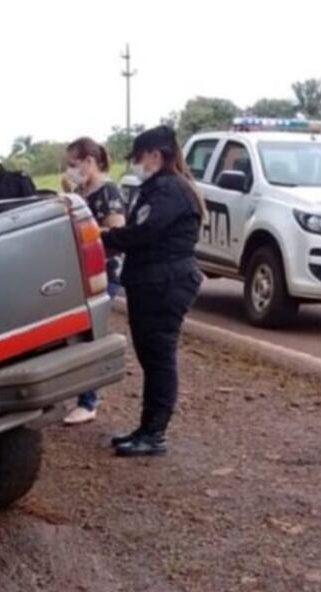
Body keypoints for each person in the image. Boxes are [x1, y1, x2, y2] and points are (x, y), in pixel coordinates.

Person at [101, 125, 204, 457]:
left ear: (155, 155)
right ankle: (147, 428)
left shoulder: (169, 190)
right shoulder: (162, 187)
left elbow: (144, 232)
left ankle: (154, 433)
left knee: (159, 358)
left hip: (165, 282)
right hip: (154, 280)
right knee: (152, 357)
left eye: (139, 157)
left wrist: (104, 239)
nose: (136, 164)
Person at [61, 137, 127, 425]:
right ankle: (83, 396)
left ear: (90, 161)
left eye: (74, 164)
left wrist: (86, 232)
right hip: (82, 276)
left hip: (104, 274)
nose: (71, 170)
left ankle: (88, 402)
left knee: (89, 336)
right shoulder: (82, 192)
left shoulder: (108, 192)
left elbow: (116, 232)